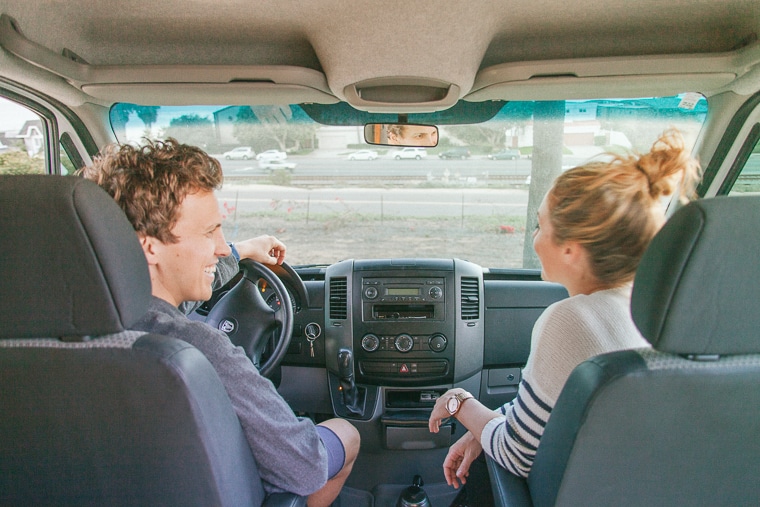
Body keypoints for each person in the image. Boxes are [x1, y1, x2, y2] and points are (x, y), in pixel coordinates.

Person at [80, 138, 360, 507]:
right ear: (150, 247)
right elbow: (304, 467)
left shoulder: (54, 332)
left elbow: (178, 295)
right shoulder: (197, 349)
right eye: (210, 231)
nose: (220, 246)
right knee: (345, 433)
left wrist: (243, 250)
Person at [428, 129, 701, 485]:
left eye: (540, 225)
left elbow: (516, 455)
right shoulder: (657, 312)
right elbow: (554, 409)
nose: (534, 237)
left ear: (571, 248)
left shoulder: (572, 319)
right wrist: (486, 428)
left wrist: (459, 402)